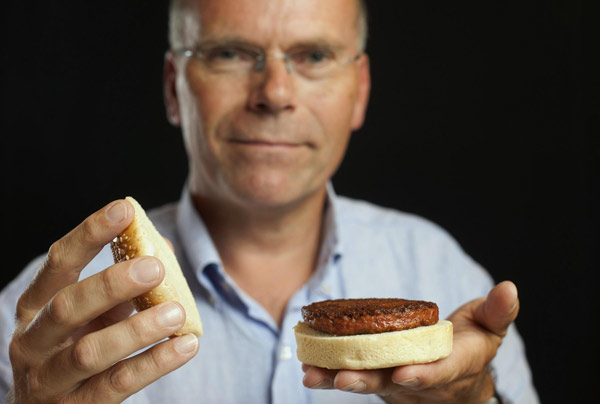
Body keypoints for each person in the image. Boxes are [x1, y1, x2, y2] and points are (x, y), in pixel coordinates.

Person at [0, 0, 539, 403]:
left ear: (361, 90)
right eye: (231, 53)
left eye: (314, 55)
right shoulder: (41, 327)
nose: (275, 93)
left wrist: (475, 398)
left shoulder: (444, 272)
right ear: (173, 87)